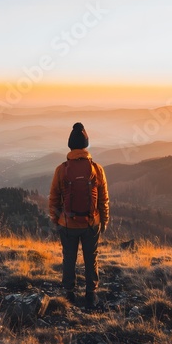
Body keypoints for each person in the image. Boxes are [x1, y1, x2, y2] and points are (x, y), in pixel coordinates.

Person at [49, 122, 109, 309]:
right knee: (91, 257)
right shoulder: (96, 169)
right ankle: (91, 295)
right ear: (86, 145)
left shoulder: (62, 169)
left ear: (70, 145)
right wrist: (104, 220)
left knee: (69, 258)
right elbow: (103, 198)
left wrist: (57, 219)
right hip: (91, 223)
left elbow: (54, 198)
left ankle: (69, 295)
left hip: (68, 224)